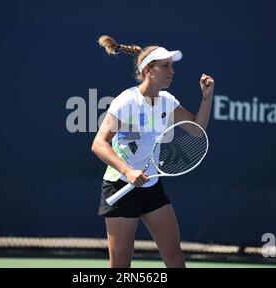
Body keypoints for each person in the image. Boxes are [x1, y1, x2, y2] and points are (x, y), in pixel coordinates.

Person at [91, 35, 214, 268]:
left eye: (172, 66)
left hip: (151, 186)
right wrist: (128, 171)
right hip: (120, 185)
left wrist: (206, 98)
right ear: (148, 70)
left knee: (174, 257)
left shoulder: (167, 101)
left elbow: (197, 131)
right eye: (165, 66)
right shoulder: (126, 101)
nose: (172, 71)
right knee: (120, 265)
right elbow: (99, 143)